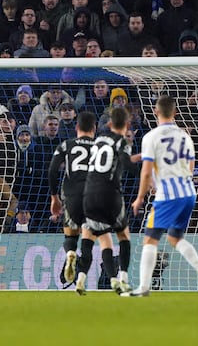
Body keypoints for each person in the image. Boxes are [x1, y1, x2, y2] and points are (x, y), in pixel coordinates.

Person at [124, 95, 198, 297]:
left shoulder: (151, 137)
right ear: (175, 113)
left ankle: (144, 288)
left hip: (168, 194)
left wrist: (139, 198)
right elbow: (190, 165)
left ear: (155, 111)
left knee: (150, 239)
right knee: (174, 237)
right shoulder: (185, 136)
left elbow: (146, 172)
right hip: (188, 192)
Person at [75, 107, 133, 295]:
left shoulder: (99, 139)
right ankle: (123, 278)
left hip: (89, 194)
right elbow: (126, 165)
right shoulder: (122, 142)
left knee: (93, 236)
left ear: (109, 124)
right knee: (123, 236)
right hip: (110, 195)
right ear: (127, 124)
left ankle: (81, 279)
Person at [48, 111, 96, 284]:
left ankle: (70, 254)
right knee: (88, 242)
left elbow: (52, 170)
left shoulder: (66, 145)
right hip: (94, 198)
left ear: (76, 127)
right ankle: (81, 278)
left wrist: (54, 197)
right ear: (94, 128)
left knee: (71, 238)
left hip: (72, 196)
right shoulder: (102, 146)